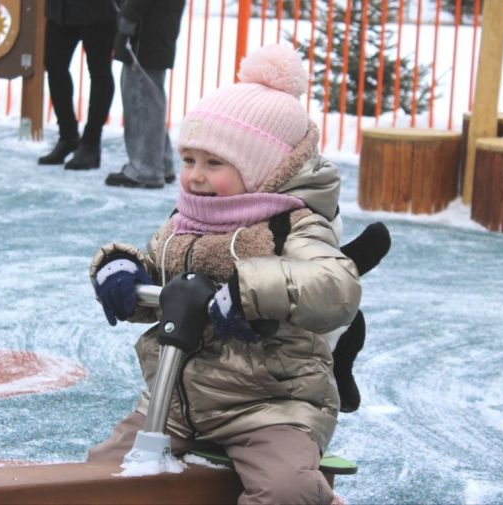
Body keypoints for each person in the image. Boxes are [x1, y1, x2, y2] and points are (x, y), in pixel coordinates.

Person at [86, 45, 365, 504]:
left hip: (271, 405)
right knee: (98, 478)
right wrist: (121, 271)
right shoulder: (185, 221)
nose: (195, 176)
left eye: (214, 163)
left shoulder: (292, 224)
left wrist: (250, 290)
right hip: (175, 402)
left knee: (285, 489)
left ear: (261, 168)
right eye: (190, 159)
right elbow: (160, 278)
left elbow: (337, 286)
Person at [104, 0, 185, 188]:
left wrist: (127, 19)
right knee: (151, 100)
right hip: (157, 29)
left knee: (140, 101)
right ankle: (161, 164)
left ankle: (145, 169)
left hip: (144, 34)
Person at [37, 0, 117, 170]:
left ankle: (91, 143)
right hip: (60, 10)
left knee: (99, 72)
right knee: (54, 65)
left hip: (99, 11)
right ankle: (68, 137)